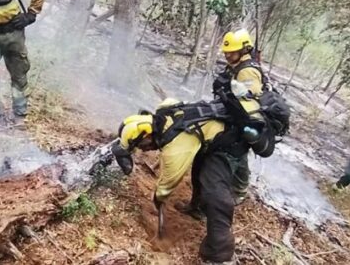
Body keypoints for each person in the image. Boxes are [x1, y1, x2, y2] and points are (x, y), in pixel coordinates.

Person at [111, 96, 274, 264]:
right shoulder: (164, 112)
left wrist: (158, 197)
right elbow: (172, 101)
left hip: (230, 142)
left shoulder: (175, 147)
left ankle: (219, 254)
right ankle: (197, 209)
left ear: (148, 134)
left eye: (142, 145)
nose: (144, 149)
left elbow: (169, 182)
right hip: (213, 137)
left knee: (214, 192)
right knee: (199, 171)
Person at [208, 28, 266, 205]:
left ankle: (226, 196)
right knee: (239, 154)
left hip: (243, 119)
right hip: (236, 116)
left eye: (231, 52)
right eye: (226, 51)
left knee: (231, 156)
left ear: (243, 50)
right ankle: (240, 188)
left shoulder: (248, 71)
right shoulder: (237, 65)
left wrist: (231, 92)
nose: (227, 54)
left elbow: (249, 97)